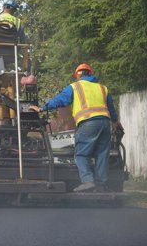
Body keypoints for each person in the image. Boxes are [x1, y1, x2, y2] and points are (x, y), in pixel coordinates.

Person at [31, 63, 123, 192]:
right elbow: (111, 108)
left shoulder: (75, 87)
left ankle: (88, 181)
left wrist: (42, 108)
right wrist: (115, 122)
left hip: (88, 123)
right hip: (105, 124)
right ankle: (100, 184)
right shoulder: (103, 88)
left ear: (77, 76)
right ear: (90, 74)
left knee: (81, 154)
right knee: (102, 154)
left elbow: (60, 100)